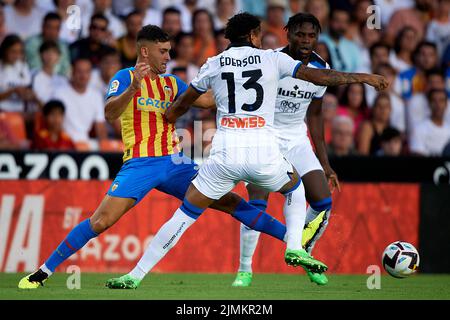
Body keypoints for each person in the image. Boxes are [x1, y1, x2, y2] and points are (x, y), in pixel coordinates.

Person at [17, 25, 312, 290]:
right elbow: (110, 113)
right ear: (144, 51)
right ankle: (42, 272)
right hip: (140, 164)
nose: (168, 57)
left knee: (231, 202)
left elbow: (209, 100)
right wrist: (132, 89)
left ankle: (297, 241)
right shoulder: (124, 77)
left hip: (175, 163)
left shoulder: (172, 83)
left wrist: (241, 83)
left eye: (169, 51)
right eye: (163, 51)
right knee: (101, 221)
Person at [125, 12, 386, 289]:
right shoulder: (274, 59)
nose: (261, 39)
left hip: (225, 155)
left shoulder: (214, 63)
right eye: (259, 33)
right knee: (295, 189)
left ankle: (135, 275)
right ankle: (294, 246)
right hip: (264, 151)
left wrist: (166, 116)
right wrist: (363, 77)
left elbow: (182, 105)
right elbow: (319, 77)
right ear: (252, 36)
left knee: (184, 215)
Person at [231, 13, 340, 287]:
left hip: (297, 140)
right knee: (258, 200)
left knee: (323, 200)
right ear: (287, 33)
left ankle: (303, 252)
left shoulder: (320, 66)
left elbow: (314, 116)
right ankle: (245, 270)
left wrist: (325, 164)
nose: (305, 40)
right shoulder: (270, 60)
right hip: (265, 136)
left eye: (311, 35)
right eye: (300, 34)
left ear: (317, 37)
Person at [51, 58, 107, 143]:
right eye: (79, 71)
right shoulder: (59, 94)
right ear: (72, 72)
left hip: (86, 144)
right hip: (63, 143)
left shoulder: (96, 96)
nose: (83, 76)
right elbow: (54, 125)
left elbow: (101, 128)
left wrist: (105, 148)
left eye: (87, 72)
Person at [409, 89, 450, 156]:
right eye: (434, 101)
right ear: (429, 104)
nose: (438, 105)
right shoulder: (419, 129)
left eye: (441, 101)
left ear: (446, 104)